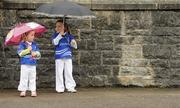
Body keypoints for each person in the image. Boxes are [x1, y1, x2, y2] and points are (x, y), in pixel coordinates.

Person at [51, 19, 77, 93]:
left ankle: (70, 87)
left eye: (59, 26)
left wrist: (73, 42)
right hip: (59, 56)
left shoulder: (69, 36)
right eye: (56, 26)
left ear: (64, 27)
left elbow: (74, 46)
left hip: (68, 56)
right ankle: (60, 88)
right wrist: (60, 35)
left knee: (68, 72)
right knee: (59, 72)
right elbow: (55, 43)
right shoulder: (55, 35)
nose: (57, 28)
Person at [17, 30, 41, 97]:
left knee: (32, 77)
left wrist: (35, 53)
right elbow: (20, 53)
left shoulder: (34, 44)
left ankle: (33, 90)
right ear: (26, 36)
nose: (33, 37)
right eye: (32, 35)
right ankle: (23, 90)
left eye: (34, 35)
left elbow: (39, 54)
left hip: (33, 64)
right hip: (24, 64)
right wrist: (28, 50)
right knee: (24, 77)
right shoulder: (22, 44)